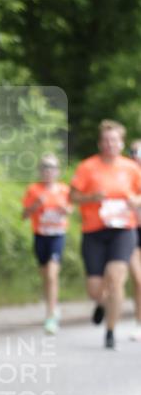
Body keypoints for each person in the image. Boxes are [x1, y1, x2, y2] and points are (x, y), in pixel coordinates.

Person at [69, 120, 141, 349]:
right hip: (94, 232)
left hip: (123, 230)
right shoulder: (87, 167)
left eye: (115, 140)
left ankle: (110, 332)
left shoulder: (131, 168)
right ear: (100, 143)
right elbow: (72, 196)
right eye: (106, 140)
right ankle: (100, 303)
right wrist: (90, 198)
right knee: (95, 288)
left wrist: (135, 201)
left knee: (116, 276)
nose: (110, 144)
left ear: (121, 143)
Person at [21, 154, 71, 334]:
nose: (48, 170)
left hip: (57, 235)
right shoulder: (33, 189)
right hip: (40, 236)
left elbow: (71, 209)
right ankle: (53, 306)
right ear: (40, 171)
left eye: (52, 167)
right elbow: (24, 215)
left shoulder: (64, 190)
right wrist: (35, 205)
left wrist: (65, 210)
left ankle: (50, 317)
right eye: (45, 167)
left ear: (57, 171)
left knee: (51, 274)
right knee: (45, 276)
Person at [128, 139, 141, 340]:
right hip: (130, 231)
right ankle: (139, 324)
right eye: (133, 152)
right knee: (138, 280)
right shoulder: (123, 175)